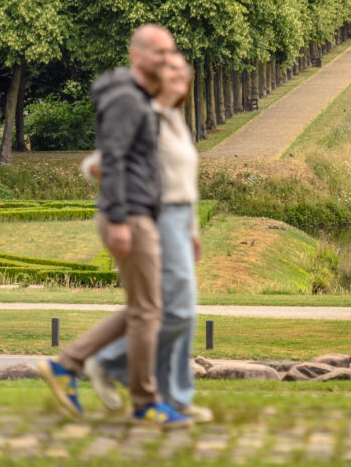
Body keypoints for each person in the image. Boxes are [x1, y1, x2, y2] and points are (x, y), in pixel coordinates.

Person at [38, 24, 190, 429]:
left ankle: (67, 365)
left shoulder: (138, 98)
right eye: (159, 53)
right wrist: (121, 221)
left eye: (170, 52)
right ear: (136, 54)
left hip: (140, 214)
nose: (166, 59)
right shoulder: (126, 99)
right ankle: (145, 402)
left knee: (144, 307)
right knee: (148, 311)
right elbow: (115, 161)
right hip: (130, 216)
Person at [84, 52, 212, 423]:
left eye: (183, 72)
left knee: (180, 312)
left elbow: (188, 182)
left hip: (179, 218)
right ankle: (109, 363)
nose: (180, 76)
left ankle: (176, 398)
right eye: (172, 71)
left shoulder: (175, 118)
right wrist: (98, 171)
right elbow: (101, 161)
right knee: (177, 311)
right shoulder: (144, 114)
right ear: (157, 78)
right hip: (157, 217)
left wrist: (193, 230)